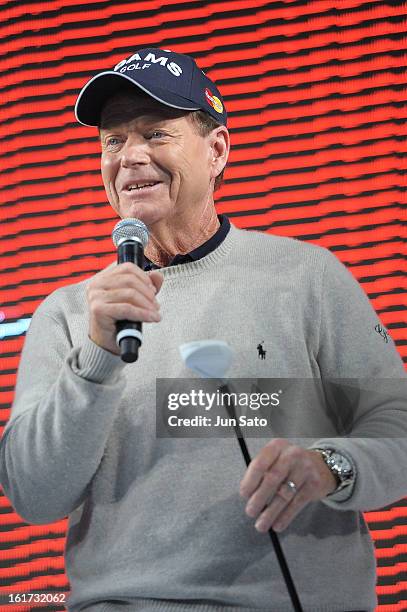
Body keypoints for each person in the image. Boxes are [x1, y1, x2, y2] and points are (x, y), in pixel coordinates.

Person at [0, 47, 406, 612]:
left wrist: (332, 467)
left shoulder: (306, 275)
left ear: (216, 151)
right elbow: (34, 495)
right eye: (113, 142)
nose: (131, 156)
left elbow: (396, 423)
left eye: (157, 133)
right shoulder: (70, 313)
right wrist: (96, 358)